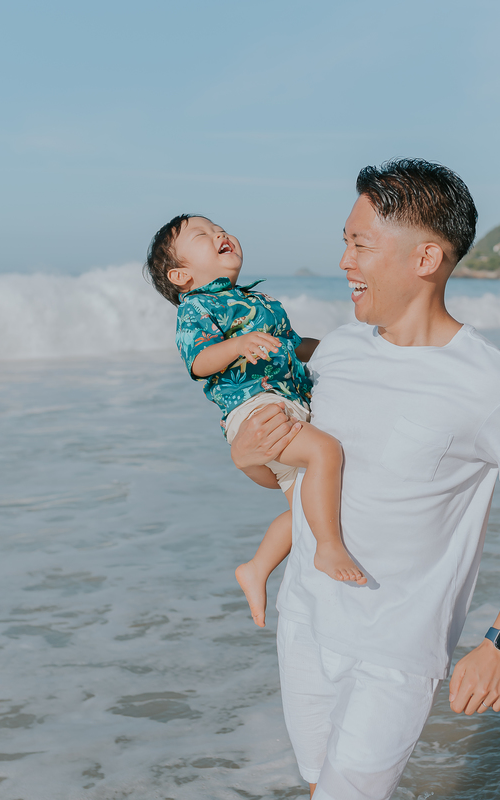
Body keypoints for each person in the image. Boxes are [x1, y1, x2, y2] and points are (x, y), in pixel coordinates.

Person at [229, 159, 500, 799]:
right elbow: (294, 486)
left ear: (426, 258)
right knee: (315, 786)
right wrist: (248, 458)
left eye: (360, 244)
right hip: (305, 615)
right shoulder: (336, 351)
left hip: (395, 647)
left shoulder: (494, 386)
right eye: (345, 243)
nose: (344, 262)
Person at [144, 214, 365, 627]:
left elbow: (298, 347)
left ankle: (257, 567)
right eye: (203, 235)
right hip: (254, 406)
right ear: (181, 275)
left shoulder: (258, 303)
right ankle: (329, 548)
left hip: (289, 401)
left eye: (219, 228)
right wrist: (238, 344)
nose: (220, 234)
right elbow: (199, 363)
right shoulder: (197, 307)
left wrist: (344, 348)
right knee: (325, 451)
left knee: (306, 510)